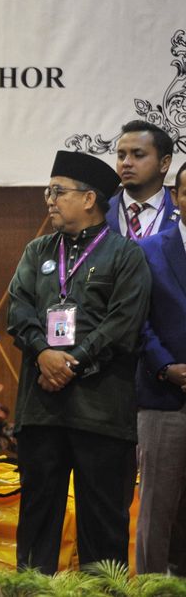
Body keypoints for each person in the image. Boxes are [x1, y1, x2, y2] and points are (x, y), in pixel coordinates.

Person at [8, 150, 151, 573]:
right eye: (47, 191)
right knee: (36, 518)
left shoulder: (126, 255)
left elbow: (124, 322)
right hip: (42, 410)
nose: (49, 199)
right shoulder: (37, 252)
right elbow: (18, 312)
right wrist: (44, 354)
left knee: (103, 523)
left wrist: (71, 363)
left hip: (101, 412)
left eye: (58, 191)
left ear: (89, 199)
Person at [136, 160, 186, 574]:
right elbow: (138, 321)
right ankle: (152, 586)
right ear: (178, 196)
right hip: (166, 395)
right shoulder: (150, 249)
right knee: (157, 507)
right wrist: (167, 367)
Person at [107, 120, 178, 239]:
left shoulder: (181, 212)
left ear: (164, 163)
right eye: (121, 156)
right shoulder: (98, 214)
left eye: (138, 155)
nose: (126, 163)